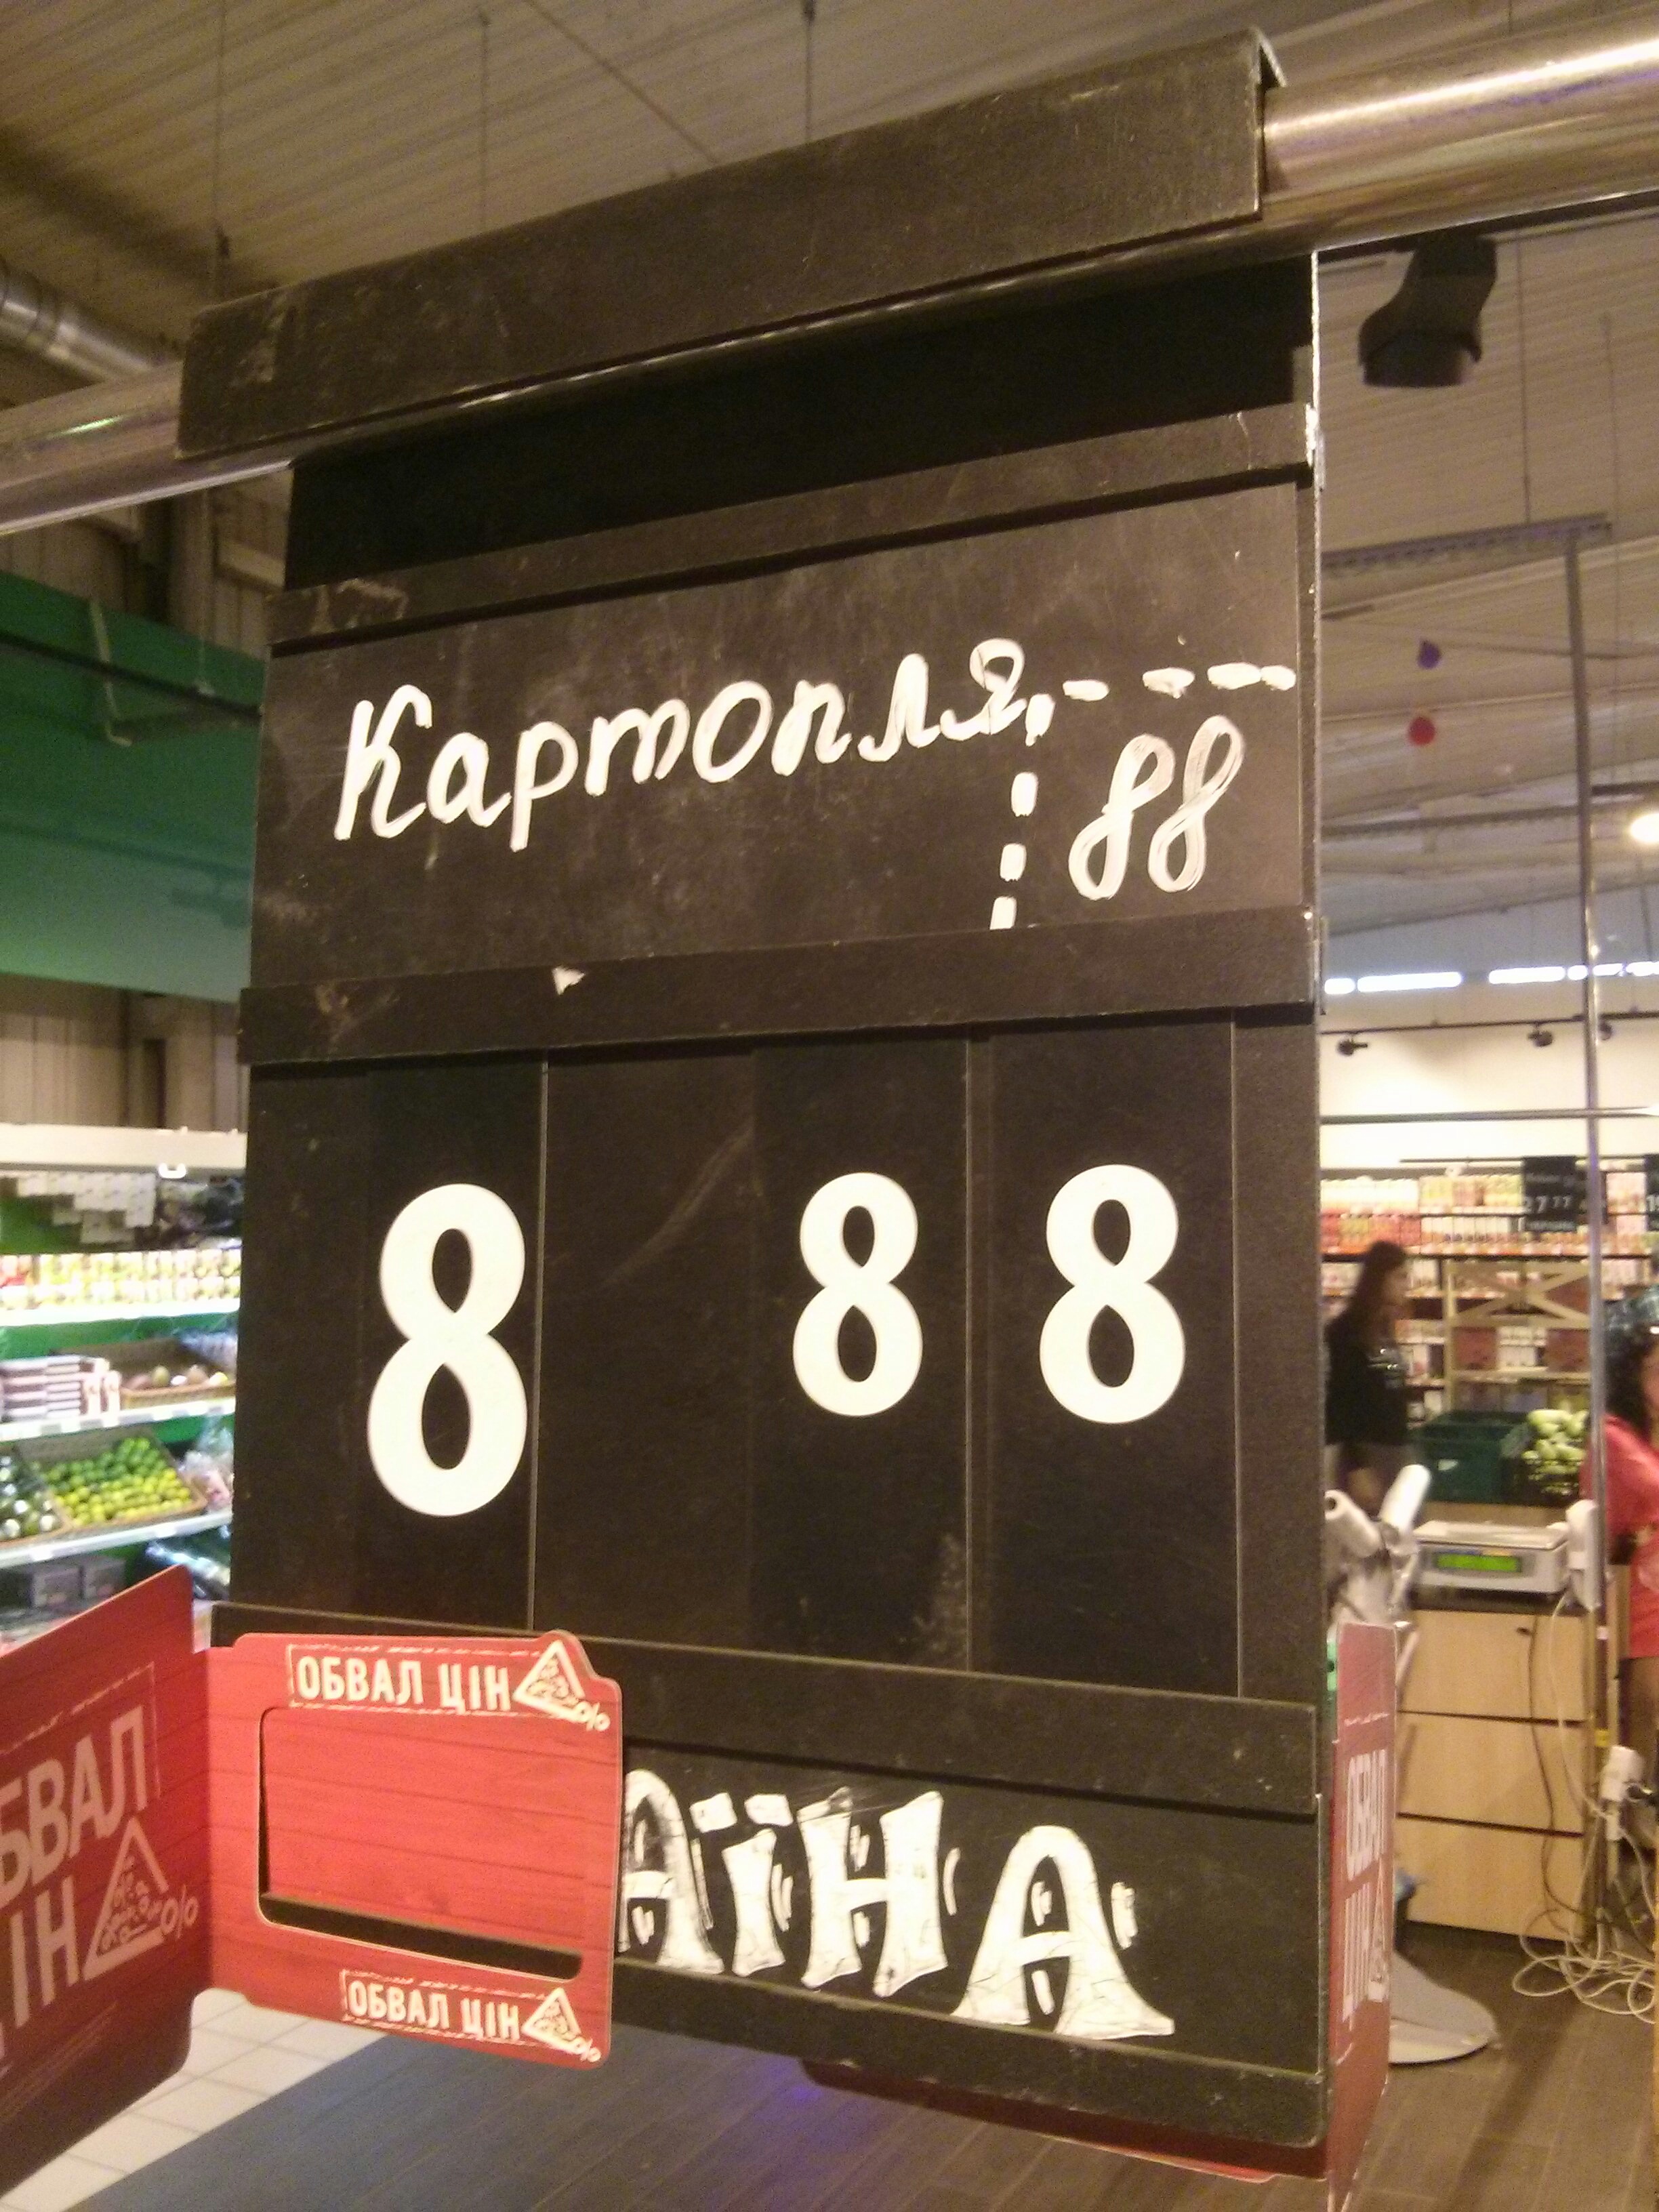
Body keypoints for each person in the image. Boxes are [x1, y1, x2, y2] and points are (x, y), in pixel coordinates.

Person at [1597, 1292, 1659, 1777]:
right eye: (1655, 1371)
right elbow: (1605, 1534)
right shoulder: (1613, 1438)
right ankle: (1632, 1808)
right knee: (1643, 1723)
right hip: (1640, 1604)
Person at [1326, 1239, 1412, 1514]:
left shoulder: (1384, 1327)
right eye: (1400, 1277)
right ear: (1379, 1279)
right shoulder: (1345, 1332)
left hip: (1396, 1450)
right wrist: (1357, 1466)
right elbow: (1339, 1403)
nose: (1407, 1285)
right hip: (1368, 1456)